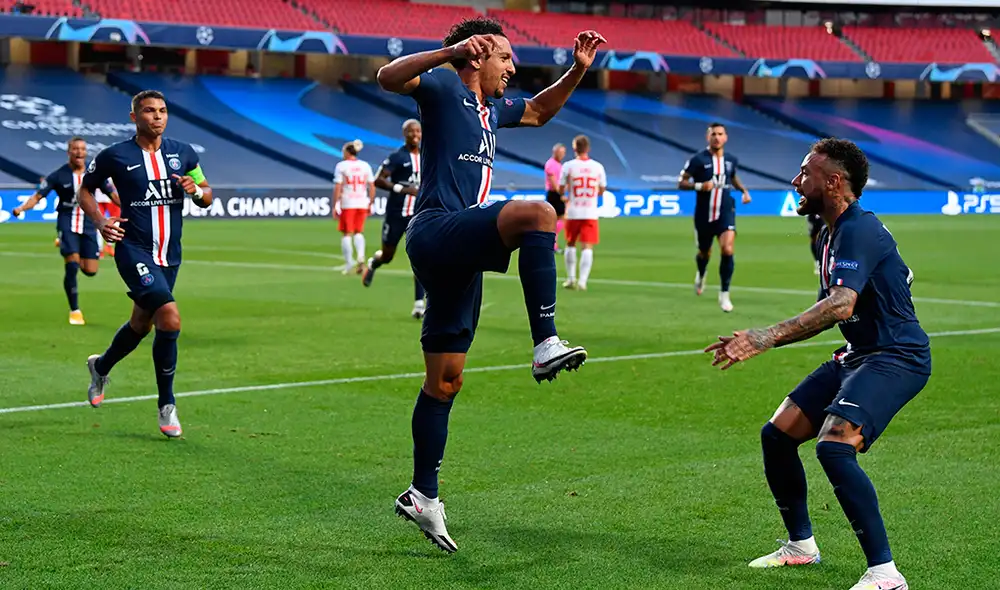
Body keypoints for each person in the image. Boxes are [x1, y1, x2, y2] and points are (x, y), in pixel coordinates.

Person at [377, 16, 604, 553]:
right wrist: (446, 52)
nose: (512, 67)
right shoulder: (440, 85)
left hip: (459, 248)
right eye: (505, 57)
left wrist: (576, 69)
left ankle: (422, 495)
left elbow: (541, 109)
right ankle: (545, 339)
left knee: (446, 381)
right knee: (538, 213)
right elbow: (388, 76)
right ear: (477, 56)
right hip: (434, 229)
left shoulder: (492, 109)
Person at [706, 139, 929, 590]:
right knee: (778, 434)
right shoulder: (831, 232)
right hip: (859, 355)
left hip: (897, 356)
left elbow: (840, 305)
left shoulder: (858, 229)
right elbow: (828, 310)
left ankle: (886, 575)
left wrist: (764, 337)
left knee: (833, 447)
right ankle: (801, 545)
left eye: (805, 173)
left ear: (833, 181)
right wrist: (764, 340)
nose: (795, 181)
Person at [78, 89, 213, 438]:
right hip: (133, 249)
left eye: (163, 111)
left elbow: (207, 194)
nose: (158, 116)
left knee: (141, 324)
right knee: (169, 317)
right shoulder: (115, 156)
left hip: (170, 255)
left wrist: (195, 191)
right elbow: (86, 190)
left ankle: (101, 366)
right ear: (134, 117)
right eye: (150, 111)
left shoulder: (183, 154)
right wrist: (99, 221)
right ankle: (166, 405)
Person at [13, 137, 117, 325]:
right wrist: (21, 208)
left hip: (88, 223)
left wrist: (132, 206)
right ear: (69, 152)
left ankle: (69, 248)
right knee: (72, 265)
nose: (79, 152)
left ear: (86, 152)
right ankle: (75, 310)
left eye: (82, 149)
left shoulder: (95, 173)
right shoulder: (58, 175)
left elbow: (112, 194)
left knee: (90, 270)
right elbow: (38, 196)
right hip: (67, 221)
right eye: (75, 149)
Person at [678, 122, 751, 313]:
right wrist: (700, 186)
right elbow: (681, 182)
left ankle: (724, 294)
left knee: (727, 249)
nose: (717, 137)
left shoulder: (731, 160)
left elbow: (732, 177)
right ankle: (701, 274)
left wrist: (743, 190)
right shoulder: (697, 160)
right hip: (704, 213)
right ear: (707, 137)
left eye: (720, 134)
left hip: (725, 210)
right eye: (713, 134)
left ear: (725, 137)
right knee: (704, 252)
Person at [363, 119, 427, 319]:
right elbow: (378, 180)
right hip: (396, 213)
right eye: (411, 131)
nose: (415, 134)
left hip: (419, 214)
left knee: (420, 258)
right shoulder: (397, 157)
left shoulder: (429, 155)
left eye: (418, 131)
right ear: (404, 134)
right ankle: (375, 262)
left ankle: (419, 304)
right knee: (388, 255)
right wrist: (402, 188)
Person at [558, 135, 605, 291]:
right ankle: (583, 281)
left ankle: (571, 279)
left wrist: (566, 194)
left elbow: (561, 188)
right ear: (588, 148)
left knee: (571, 244)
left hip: (573, 211)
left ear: (574, 148)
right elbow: (602, 189)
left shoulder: (568, 166)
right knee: (587, 247)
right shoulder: (598, 167)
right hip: (590, 211)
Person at [333, 140, 375, 275]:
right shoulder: (365, 165)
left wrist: (335, 204)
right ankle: (361, 257)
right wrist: (371, 202)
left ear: (347, 152)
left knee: (346, 233)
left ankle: (349, 263)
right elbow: (372, 185)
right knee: (358, 232)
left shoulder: (341, 166)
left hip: (348, 203)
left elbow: (338, 186)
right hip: (362, 202)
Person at [544, 143, 566, 252]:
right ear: (555, 152)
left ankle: (553, 243)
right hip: (554, 194)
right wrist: (562, 195)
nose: (562, 155)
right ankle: (552, 243)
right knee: (558, 219)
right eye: (561, 152)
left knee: (558, 219)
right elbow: (554, 183)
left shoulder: (557, 164)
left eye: (563, 153)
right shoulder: (551, 164)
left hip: (555, 194)